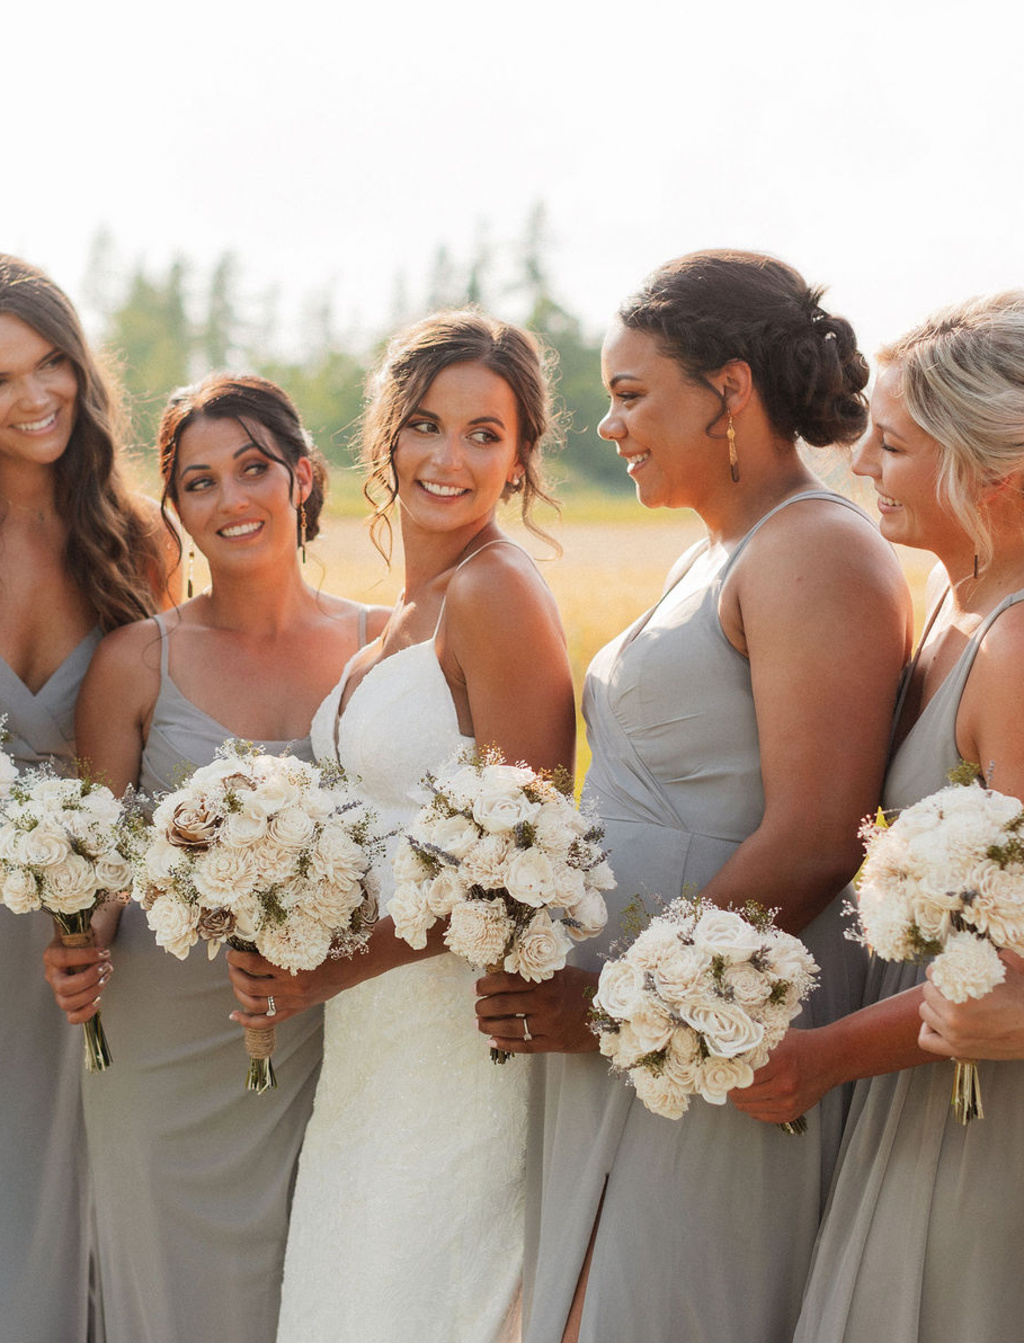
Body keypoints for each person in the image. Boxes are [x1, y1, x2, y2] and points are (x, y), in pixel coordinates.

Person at [474, 251, 912, 1343]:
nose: (609, 426)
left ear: (729, 389)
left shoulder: (815, 549)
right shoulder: (711, 551)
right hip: (635, 1016)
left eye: (630, 394)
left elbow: (816, 836)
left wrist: (625, 1003)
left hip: (716, 1023)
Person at [227, 310, 575, 1342]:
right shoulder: (401, 613)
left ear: (518, 459)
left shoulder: (501, 594)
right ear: (385, 433)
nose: (449, 457)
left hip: (455, 1035)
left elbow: (521, 860)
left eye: (484, 433)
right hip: (369, 1039)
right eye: (426, 423)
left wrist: (325, 970)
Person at [43, 374, 387, 1343]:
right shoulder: (133, 660)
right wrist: (81, 940)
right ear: (177, 508)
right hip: (162, 1034)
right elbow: (101, 859)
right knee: (171, 1286)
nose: (231, 499)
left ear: (303, 478)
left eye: (252, 469)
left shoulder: (384, 642)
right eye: (199, 482)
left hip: (330, 1023)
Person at [729, 292, 1024, 1343]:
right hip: (911, 1088)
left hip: (982, 1119)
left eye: (891, 446)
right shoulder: (954, 600)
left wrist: (820, 1056)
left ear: (989, 473)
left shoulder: (1018, 648)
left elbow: (1010, 968)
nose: (859, 467)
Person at [0, 253, 174, 1342]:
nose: (32, 393)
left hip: (76, 935)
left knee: (74, 1197)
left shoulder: (134, 540)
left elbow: (155, 740)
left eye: (50, 360)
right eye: (0, 375)